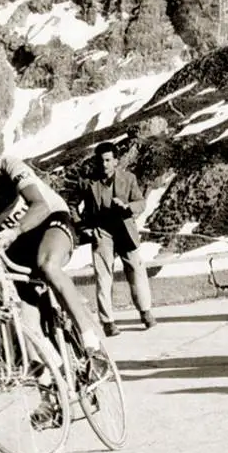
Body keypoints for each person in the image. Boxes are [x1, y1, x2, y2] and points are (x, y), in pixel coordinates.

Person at [0, 133, 110, 390]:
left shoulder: (7, 166)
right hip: (16, 243)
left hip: (50, 222)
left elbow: (39, 204)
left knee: (48, 265)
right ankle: (54, 388)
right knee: (21, 314)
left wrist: (14, 231)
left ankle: (92, 347)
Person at [78, 141, 156, 336]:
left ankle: (146, 312)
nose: (104, 164)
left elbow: (141, 202)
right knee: (103, 277)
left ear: (115, 161)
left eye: (107, 160)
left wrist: (127, 206)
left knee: (137, 271)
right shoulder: (89, 183)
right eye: (100, 160)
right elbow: (73, 206)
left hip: (125, 230)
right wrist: (83, 226)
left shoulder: (128, 179)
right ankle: (108, 323)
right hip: (102, 232)